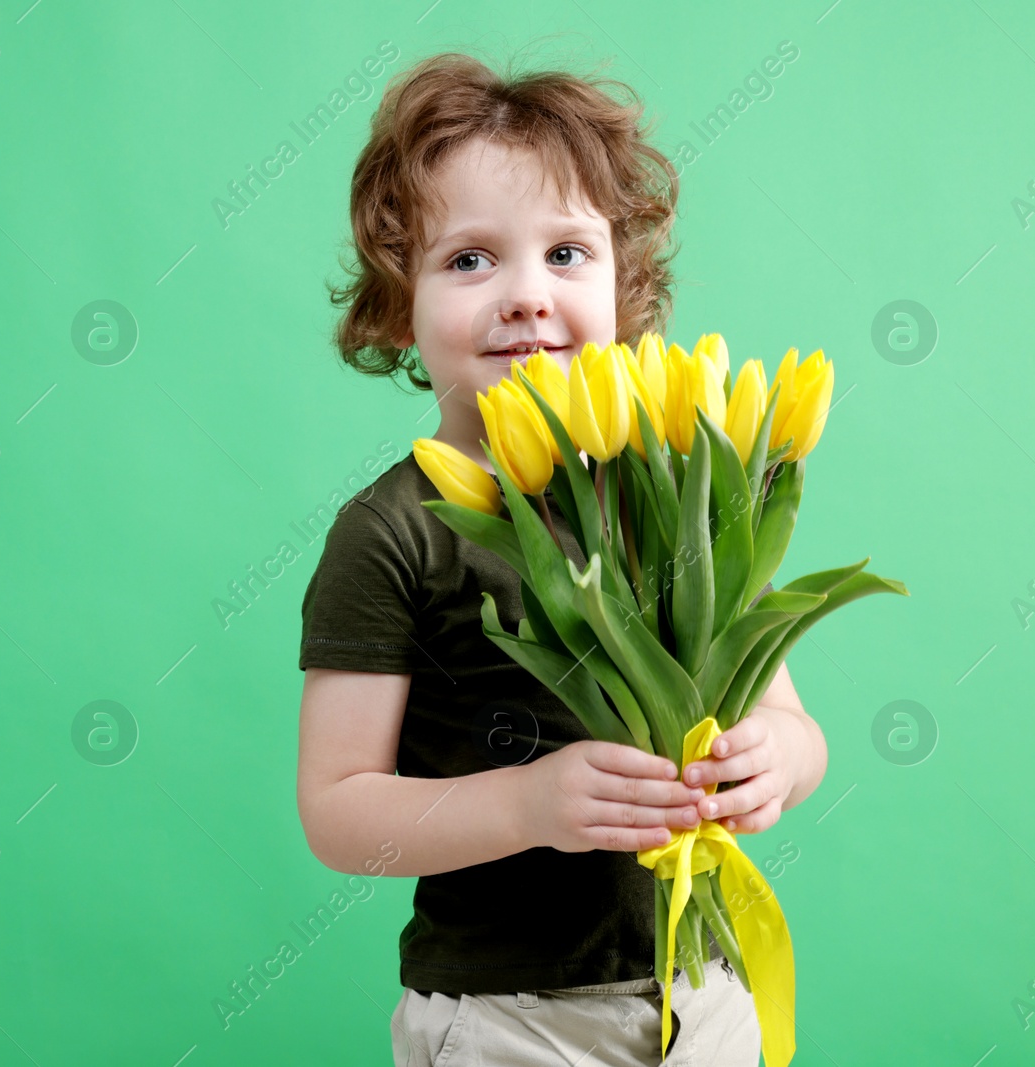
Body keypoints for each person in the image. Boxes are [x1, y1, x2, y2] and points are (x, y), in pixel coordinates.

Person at [295, 50, 829, 1067]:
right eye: (468, 260)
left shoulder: (677, 484)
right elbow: (336, 808)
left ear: (625, 282)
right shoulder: (393, 529)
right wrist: (529, 803)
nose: (526, 296)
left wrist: (778, 764)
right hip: (510, 1017)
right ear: (393, 299)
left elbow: (790, 719)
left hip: (703, 987)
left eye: (567, 254)